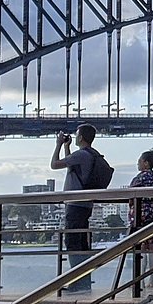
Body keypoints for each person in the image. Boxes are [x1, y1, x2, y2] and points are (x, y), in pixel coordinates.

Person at [51, 124, 113, 292]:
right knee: (81, 243)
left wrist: (58, 144)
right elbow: (72, 166)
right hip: (85, 204)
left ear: (81, 137)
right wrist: (67, 147)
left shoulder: (81, 155)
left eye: (77, 134)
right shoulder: (91, 154)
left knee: (72, 243)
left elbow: (54, 164)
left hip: (75, 205)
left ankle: (77, 283)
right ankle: (83, 281)